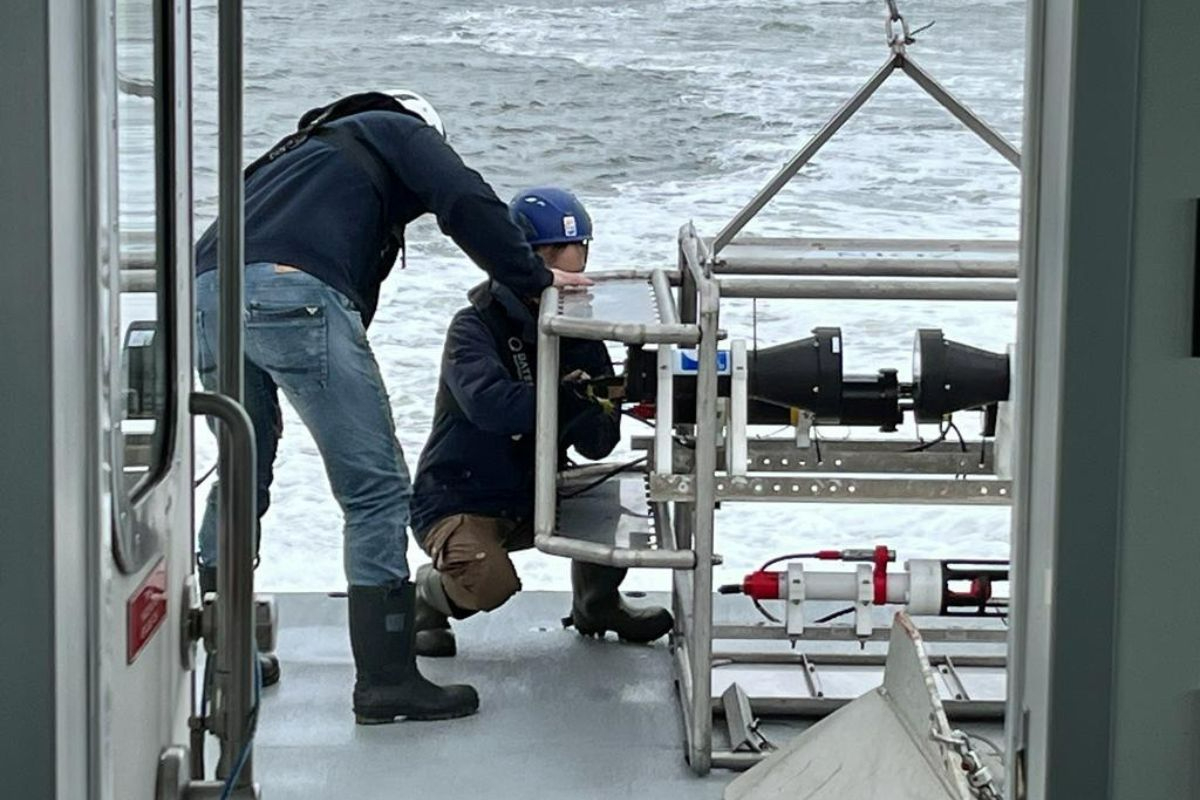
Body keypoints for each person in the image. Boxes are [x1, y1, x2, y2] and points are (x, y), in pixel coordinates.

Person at [193, 90, 590, 724]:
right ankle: (386, 681)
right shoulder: (393, 129)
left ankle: (226, 650)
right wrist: (538, 281)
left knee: (244, 468)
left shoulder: (296, 157)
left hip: (206, 293)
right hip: (293, 290)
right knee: (374, 491)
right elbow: (466, 200)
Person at [407, 186, 673, 666]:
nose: (568, 271)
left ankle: (597, 603)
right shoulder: (473, 328)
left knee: (622, 492)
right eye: (552, 255)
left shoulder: (582, 332)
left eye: (578, 253)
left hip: (538, 490)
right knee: (491, 585)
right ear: (521, 257)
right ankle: (423, 597)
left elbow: (598, 445)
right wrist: (569, 397)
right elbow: (492, 408)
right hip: (459, 495)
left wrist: (610, 396)